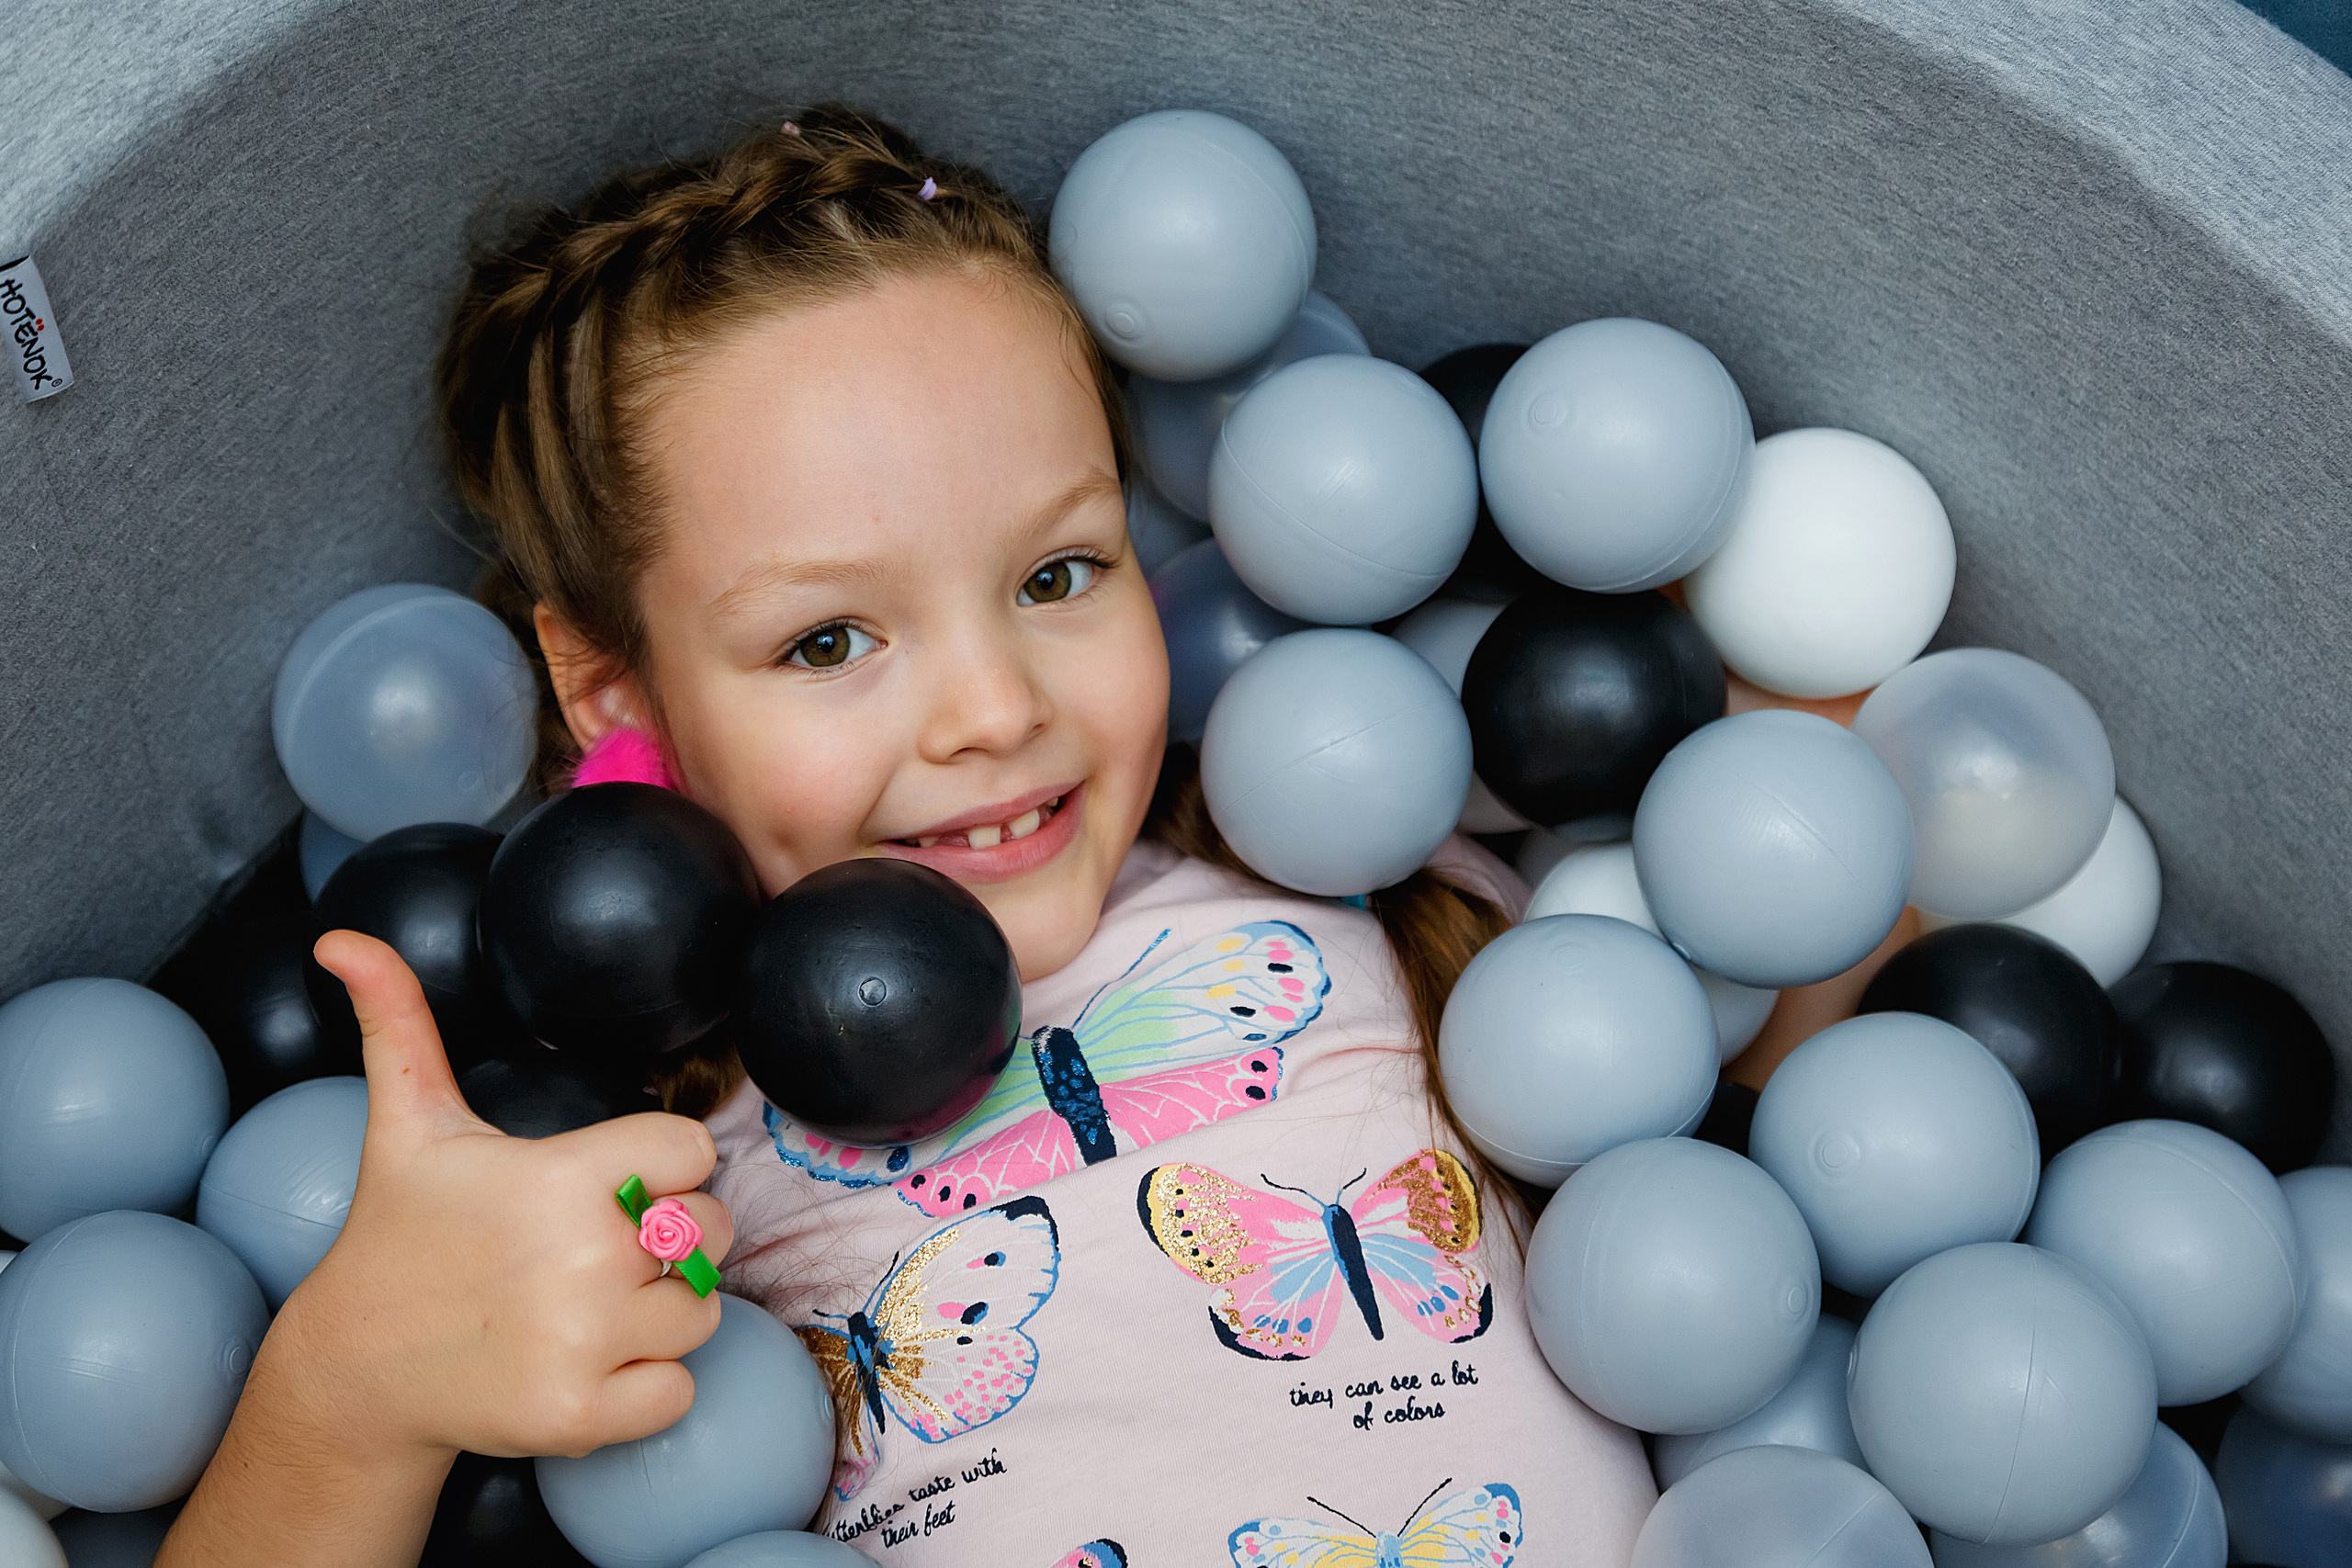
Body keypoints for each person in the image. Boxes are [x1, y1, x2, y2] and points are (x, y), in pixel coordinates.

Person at [159, 107, 1653, 1568]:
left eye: (1060, 572)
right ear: (619, 694)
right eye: (827, 642)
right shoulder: (645, 1157)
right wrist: (345, 1397)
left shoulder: (1372, 883)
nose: (995, 711)